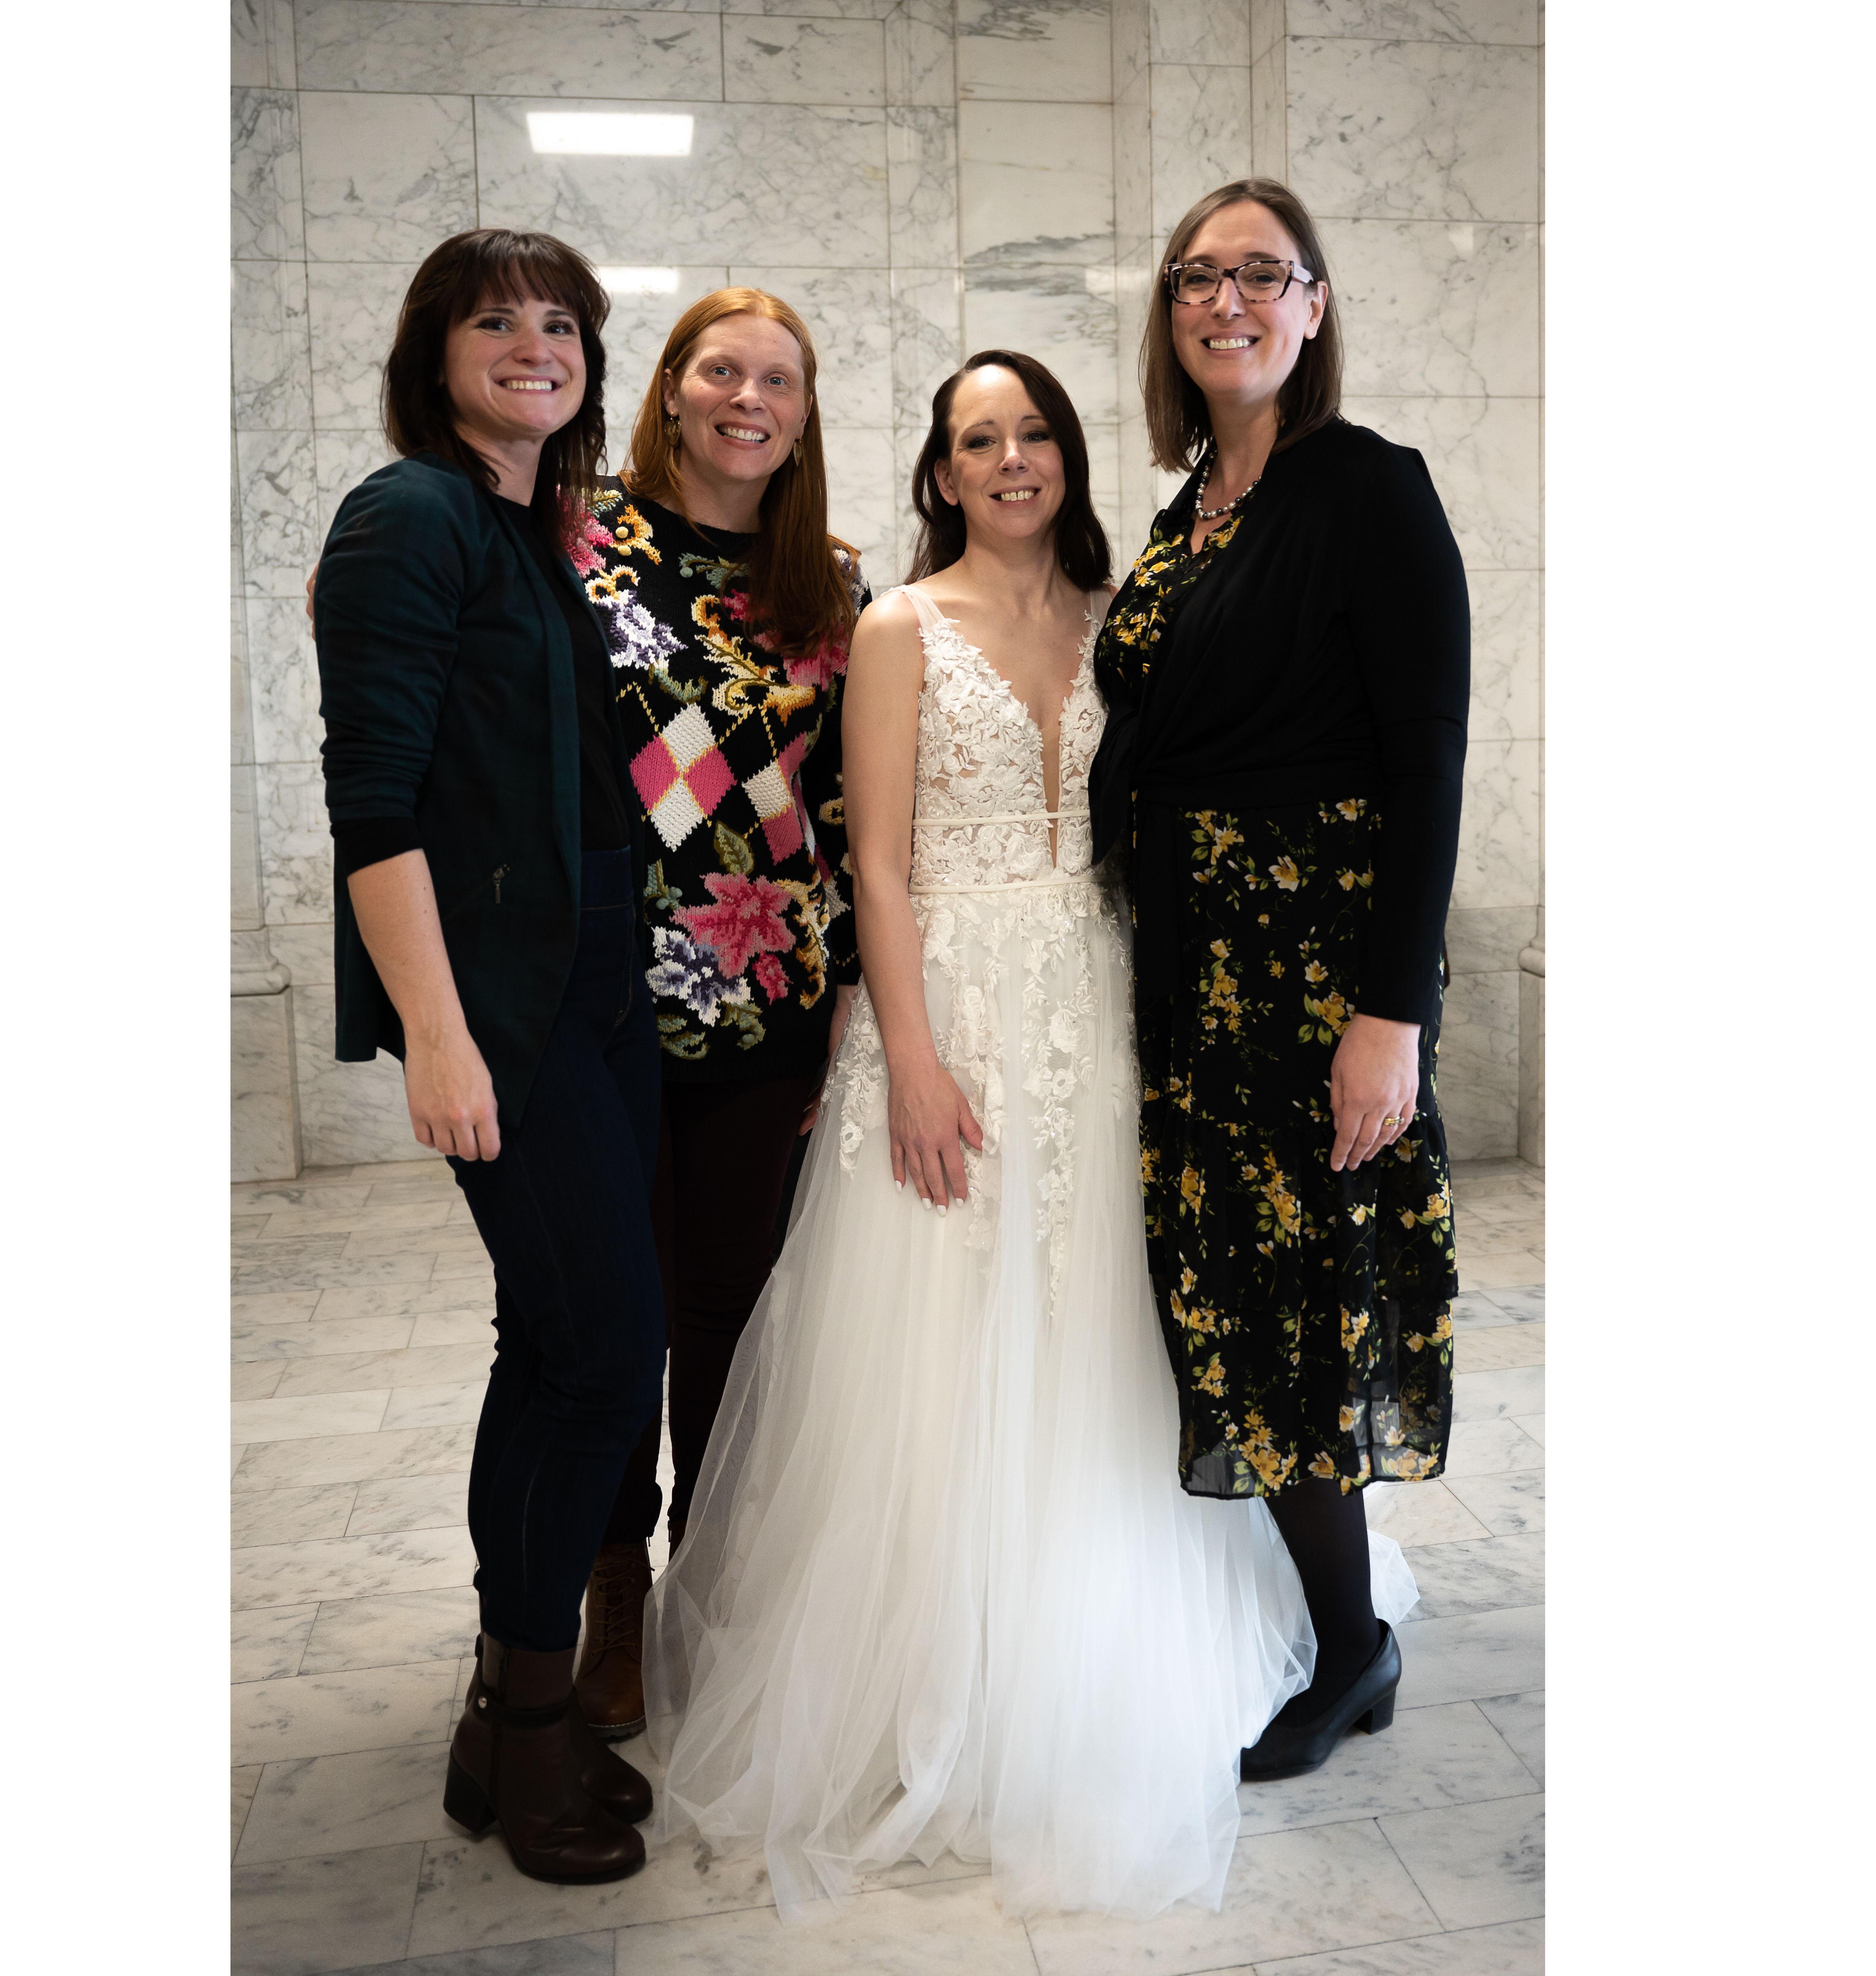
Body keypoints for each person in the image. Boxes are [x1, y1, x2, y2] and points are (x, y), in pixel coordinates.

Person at [643, 350, 1417, 1920]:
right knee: (944, 1336)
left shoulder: (1130, 610)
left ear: (1068, 455)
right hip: (960, 1014)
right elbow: (876, 867)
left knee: (1110, 1327)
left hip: (1119, 1003)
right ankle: (950, 1670)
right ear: (938, 472)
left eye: (1032, 433)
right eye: (974, 438)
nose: (1008, 459)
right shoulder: (895, 627)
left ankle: (1129, 1636)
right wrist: (910, 1058)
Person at [1089, 177, 1470, 1781]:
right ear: (1169, 319)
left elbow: (1426, 761)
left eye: (1261, 274)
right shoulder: (1184, 514)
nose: (1226, 299)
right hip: (1189, 974)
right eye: (1197, 277)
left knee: (1305, 1314)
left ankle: (1349, 1648)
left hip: (1314, 981)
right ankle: (1330, 1621)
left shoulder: (1363, 486)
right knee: (1230, 1306)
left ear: (1311, 306)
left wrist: (1390, 1016)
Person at [312, 228, 661, 1885]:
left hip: (594, 982)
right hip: (507, 1006)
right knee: (599, 1349)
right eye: (493, 321)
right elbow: (372, 799)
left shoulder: (529, 529)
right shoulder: (410, 513)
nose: (533, 345)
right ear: (431, 348)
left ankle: (499, 1704)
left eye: (561, 324)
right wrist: (440, 1035)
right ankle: (530, 1731)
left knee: (562, 1339)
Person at [563, 290, 866, 1744]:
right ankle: (611, 1586)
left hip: (766, 1000)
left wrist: (857, 1006)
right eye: (722, 370)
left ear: (804, 415)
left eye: (780, 381)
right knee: (612, 1311)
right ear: (672, 389)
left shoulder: (835, 588)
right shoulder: (570, 538)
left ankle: (717, 1578)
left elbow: (855, 811)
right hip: (597, 1000)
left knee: (727, 1315)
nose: (750, 397)